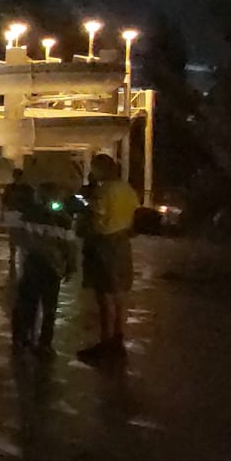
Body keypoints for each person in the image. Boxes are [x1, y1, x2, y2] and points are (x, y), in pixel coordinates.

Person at [78, 154, 138, 363]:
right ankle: (118, 339)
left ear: (101, 170)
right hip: (122, 242)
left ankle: (105, 343)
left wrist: (86, 207)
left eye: (94, 169)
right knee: (120, 293)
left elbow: (96, 215)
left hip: (104, 244)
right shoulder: (127, 189)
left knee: (104, 296)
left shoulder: (104, 191)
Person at [12, 182, 77, 353]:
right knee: (49, 306)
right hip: (53, 267)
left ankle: (23, 337)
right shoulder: (64, 220)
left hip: (32, 265)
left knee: (28, 303)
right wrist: (71, 266)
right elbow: (70, 246)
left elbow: (18, 237)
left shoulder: (28, 215)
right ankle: (45, 343)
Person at [1, 167, 35, 279]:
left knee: (14, 235)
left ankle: (14, 254)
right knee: (19, 234)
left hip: (14, 213)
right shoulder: (27, 189)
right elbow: (31, 201)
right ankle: (18, 254)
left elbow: (4, 201)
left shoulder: (11, 188)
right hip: (21, 214)